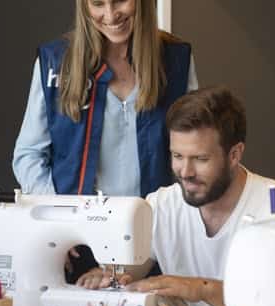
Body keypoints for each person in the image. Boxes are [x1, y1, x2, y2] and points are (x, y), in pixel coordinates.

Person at [77, 86, 275, 306]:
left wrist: (202, 289)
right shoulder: (161, 205)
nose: (186, 172)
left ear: (234, 154)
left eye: (200, 159)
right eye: (177, 156)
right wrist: (107, 275)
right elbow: (128, 271)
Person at [12, 0, 198, 197]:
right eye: (98, 4)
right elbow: (28, 156)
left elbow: (196, 147)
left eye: (120, 1)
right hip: (78, 224)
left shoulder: (176, 59)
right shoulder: (54, 62)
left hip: (155, 220)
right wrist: (63, 212)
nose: (110, 15)